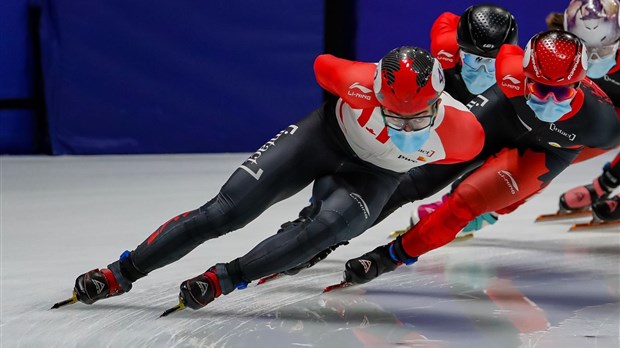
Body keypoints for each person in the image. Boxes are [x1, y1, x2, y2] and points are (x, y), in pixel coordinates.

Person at [63, 46, 486, 310]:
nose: (406, 129)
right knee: (225, 212)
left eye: (420, 119)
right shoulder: (355, 83)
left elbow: (418, 184)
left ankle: (222, 279)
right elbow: (323, 64)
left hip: (376, 175)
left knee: (330, 228)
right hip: (323, 138)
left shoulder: (465, 135)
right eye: (394, 116)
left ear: (440, 102)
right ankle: (121, 273)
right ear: (374, 96)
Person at [338, 30, 620, 286]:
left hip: (551, 148)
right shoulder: (509, 68)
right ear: (524, 74)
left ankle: (386, 258)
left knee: (466, 202)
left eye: (561, 92)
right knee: (420, 174)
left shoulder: (604, 125)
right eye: (540, 88)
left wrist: (603, 185)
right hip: (504, 114)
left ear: (580, 84)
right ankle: (333, 232)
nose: (549, 101)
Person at [400, 4, 519, 238]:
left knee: (508, 149)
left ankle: (477, 212)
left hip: (493, 105)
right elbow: (446, 17)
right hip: (453, 91)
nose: (482, 69)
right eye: (473, 59)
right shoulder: (445, 44)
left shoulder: (517, 73)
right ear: (460, 49)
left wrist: (493, 206)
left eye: (491, 62)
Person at [549, 0, 620, 223]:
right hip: (601, 115)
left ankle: (604, 184)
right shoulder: (559, 48)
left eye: (604, 45)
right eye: (587, 48)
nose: (595, 56)